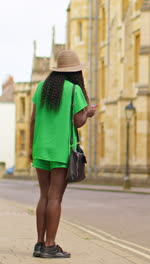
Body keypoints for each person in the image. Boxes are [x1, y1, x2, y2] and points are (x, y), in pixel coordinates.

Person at [29, 50, 96, 258]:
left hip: (40, 149)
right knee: (55, 197)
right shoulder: (73, 89)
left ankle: (39, 244)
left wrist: (32, 148)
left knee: (43, 196)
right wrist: (88, 112)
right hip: (61, 151)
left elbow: (32, 120)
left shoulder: (41, 88)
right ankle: (50, 245)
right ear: (75, 72)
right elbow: (78, 122)